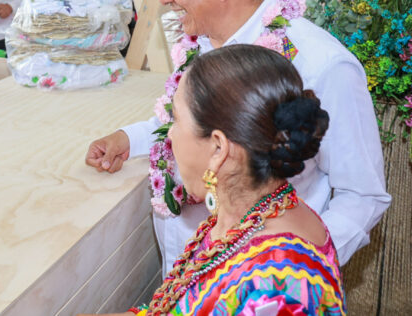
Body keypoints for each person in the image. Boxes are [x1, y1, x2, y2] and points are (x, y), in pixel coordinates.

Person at [84, 0, 390, 276]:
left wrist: (288, 268)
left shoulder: (321, 64)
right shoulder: (200, 43)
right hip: (189, 280)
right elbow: (194, 128)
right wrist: (129, 139)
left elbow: (362, 196)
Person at [90, 45, 345, 315]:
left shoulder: (277, 282)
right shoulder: (252, 213)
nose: (170, 136)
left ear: (218, 148)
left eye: (175, 120)